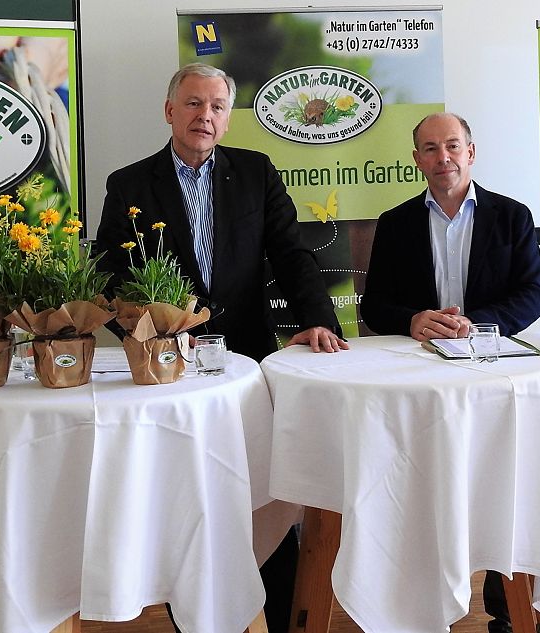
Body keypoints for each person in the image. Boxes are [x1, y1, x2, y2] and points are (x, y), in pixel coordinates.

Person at [95, 62, 347, 633]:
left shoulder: (256, 172)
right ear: (169, 111)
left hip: (248, 359)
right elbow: (110, 275)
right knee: (191, 498)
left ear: (228, 119)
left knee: (265, 492)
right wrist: (146, 331)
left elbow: (290, 253)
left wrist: (315, 319)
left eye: (215, 107)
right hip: (169, 368)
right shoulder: (129, 184)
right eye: (192, 104)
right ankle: (199, 618)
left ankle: (280, 619)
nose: (203, 116)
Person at [361, 112, 540, 633]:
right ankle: (416, 602)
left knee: (501, 480)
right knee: (423, 483)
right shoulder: (395, 222)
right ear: (416, 158)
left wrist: (478, 325)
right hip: (419, 378)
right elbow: (375, 304)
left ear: (471, 151)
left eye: (451, 146)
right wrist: (414, 319)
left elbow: (533, 294)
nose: (442, 158)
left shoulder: (512, 216)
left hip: (490, 368)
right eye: (429, 148)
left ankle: (508, 610)